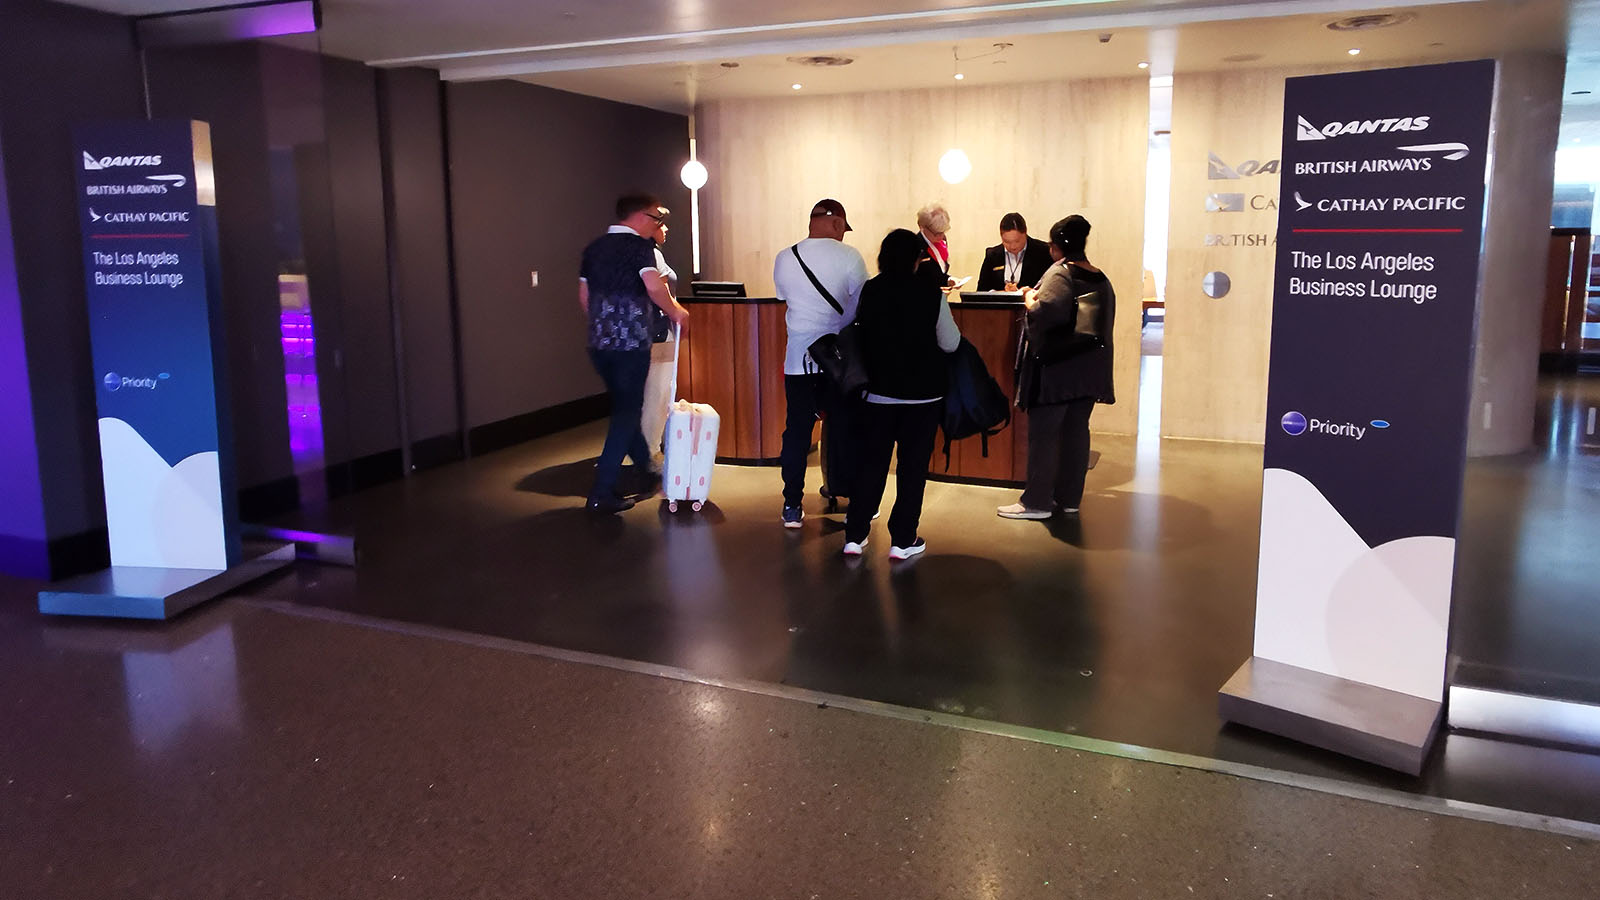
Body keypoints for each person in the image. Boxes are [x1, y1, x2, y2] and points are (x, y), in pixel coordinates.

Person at [844, 229, 961, 560]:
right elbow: (950, 343)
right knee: (912, 469)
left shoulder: (870, 290)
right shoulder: (930, 293)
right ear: (916, 259)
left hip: (878, 395)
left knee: (871, 464)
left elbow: (846, 325)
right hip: (923, 397)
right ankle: (902, 540)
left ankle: (855, 536)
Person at [998, 215, 1115, 520]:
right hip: (1088, 370)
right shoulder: (1099, 276)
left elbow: (1046, 311)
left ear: (1055, 247)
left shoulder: (1060, 275)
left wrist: (1028, 299)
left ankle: (1036, 502)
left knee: (1044, 435)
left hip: (1057, 372)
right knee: (1077, 433)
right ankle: (1069, 498)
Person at [578, 193, 689, 514]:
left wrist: (604, 325)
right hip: (631, 344)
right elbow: (655, 287)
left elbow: (585, 297)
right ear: (640, 216)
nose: (659, 223)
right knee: (626, 413)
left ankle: (646, 469)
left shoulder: (594, 248)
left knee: (625, 405)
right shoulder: (640, 248)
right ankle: (602, 492)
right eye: (656, 217)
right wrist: (677, 311)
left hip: (599, 344)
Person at [772, 199, 870, 529]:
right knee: (845, 429)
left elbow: (785, 297)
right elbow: (861, 304)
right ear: (836, 222)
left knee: (797, 432)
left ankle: (791, 505)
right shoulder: (850, 256)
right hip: (838, 362)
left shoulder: (785, 257)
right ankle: (854, 500)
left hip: (798, 361)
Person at [639, 226, 679, 473]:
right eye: (660, 222)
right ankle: (650, 453)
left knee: (648, 395)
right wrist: (678, 313)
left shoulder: (635, 252)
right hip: (657, 331)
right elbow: (659, 291)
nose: (665, 228)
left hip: (640, 333)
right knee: (658, 393)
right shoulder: (651, 255)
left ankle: (643, 449)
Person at [975, 212, 1053, 292]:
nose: (1013, 246)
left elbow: (1053, 289)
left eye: (1017, 241)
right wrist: (1002, 293)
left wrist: (1032, 292)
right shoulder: (992, 255)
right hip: (1000, 304)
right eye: (1006, 242)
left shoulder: (1043, 251)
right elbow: (981, 291)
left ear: (1025, 233)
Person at [914, 203, 957, 291]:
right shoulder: (915, 245)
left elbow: (938, 273)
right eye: (936, 233)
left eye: (943, 232)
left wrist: (948, 280)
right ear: (922, 227)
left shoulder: (942, 241)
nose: (940, 237)